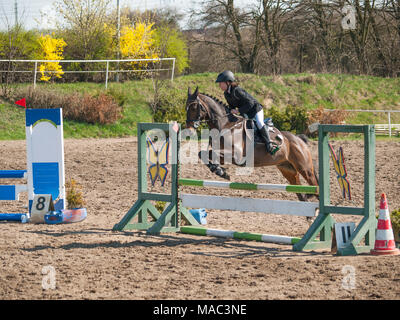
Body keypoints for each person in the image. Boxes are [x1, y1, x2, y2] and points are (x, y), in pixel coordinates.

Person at [215, 70, 273, 154]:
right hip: (246, 113)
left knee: (259, 123)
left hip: (255, 109)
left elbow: (251, 103)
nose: (219, 85)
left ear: (228, 82)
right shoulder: (226, 94)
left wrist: (238, 110)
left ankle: (269, 144)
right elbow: (232, 106)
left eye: (221, 83)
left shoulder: (237, 90)